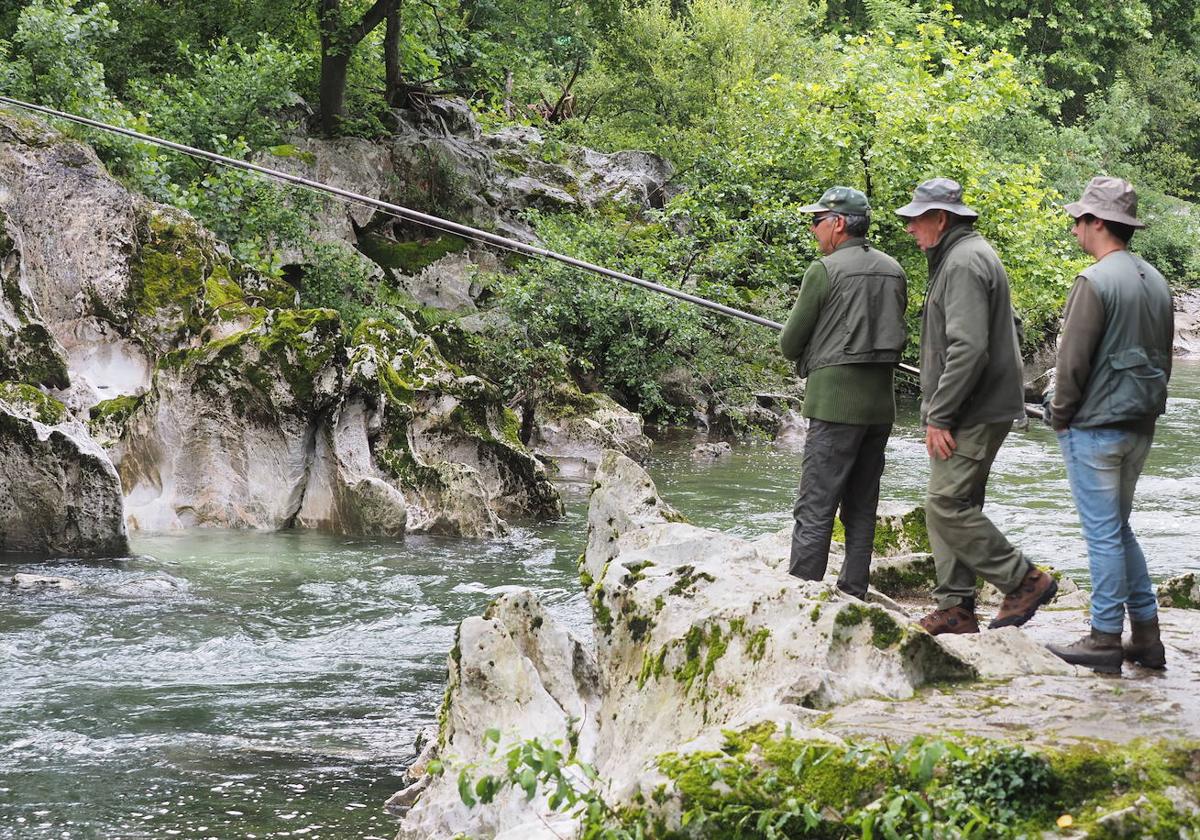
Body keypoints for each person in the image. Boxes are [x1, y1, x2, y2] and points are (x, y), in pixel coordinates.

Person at [896, 177, 1057, 634]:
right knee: (952, 502)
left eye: (915, 219)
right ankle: (957, 608)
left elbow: (967, 349)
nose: (909, 228)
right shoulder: (961, 256)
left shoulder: (964, 263)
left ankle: (1023, 579)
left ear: (940, 219)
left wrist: (940, 414)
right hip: (979, 404)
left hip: (972, 409)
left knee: (945, 503)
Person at [1045, 177, 1173, 673]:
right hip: (1141, 424)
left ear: (1097, 223)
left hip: (1095, 427)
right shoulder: (1155, 280)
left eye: (1080, 219)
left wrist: (1059, 416)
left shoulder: (1094, 281)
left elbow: (1071, 363)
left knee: (1102, 535)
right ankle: (1146, 636)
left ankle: (1103, 639)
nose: (1075, 227)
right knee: (1119, 529)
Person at [780, 186, 908, 599]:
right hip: (880, 408)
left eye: (817, 221)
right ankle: (854, 589)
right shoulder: (894, 270)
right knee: (862, 505)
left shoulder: (824, 270)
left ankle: (803, 593)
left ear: (837, 224)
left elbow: (789, 343)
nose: (813, 229)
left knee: (816, 504)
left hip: (834, 405)